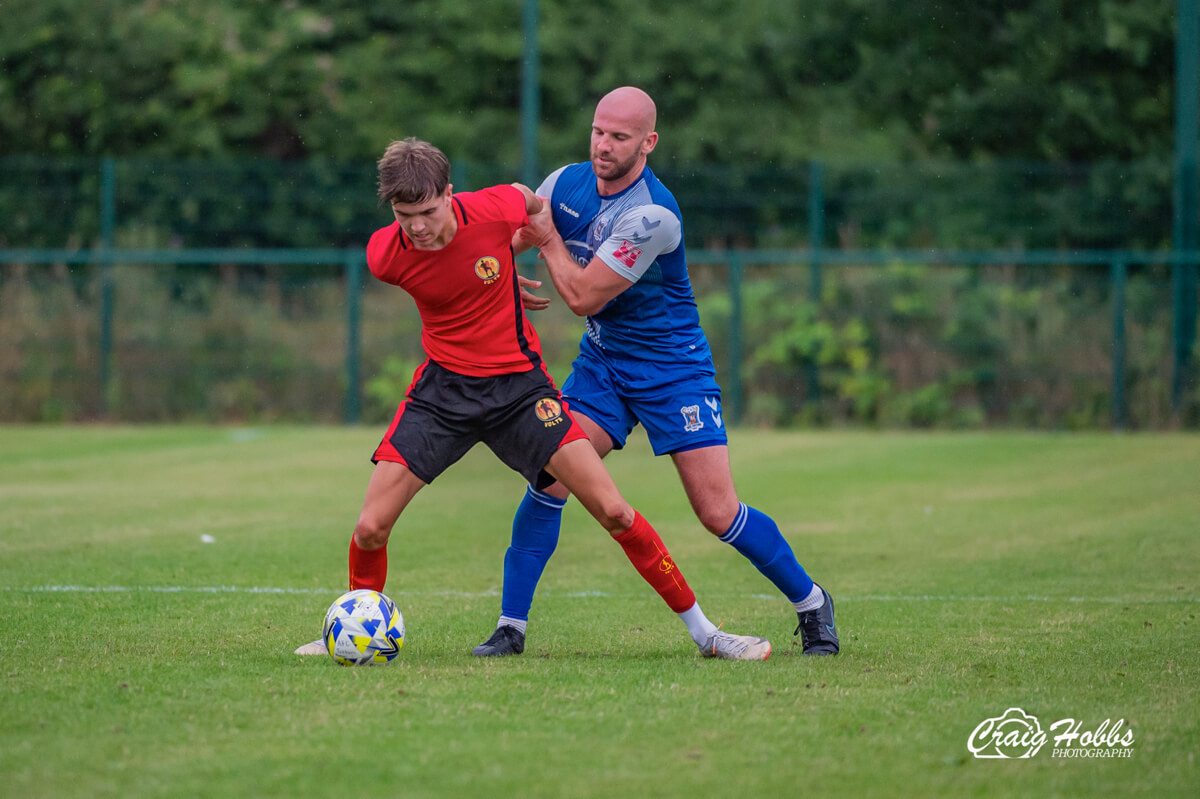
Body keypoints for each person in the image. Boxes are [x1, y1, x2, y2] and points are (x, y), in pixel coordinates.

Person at [295, 137, 771, 661]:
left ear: (449, 195)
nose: (419, 227)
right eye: (405, 215)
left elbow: (533, 207)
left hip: (520, 390)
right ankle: (352, 627)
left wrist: (503, 263)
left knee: (613, 510)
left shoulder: (495, 205)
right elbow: (444, 274)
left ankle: (708, 634)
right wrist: (489, 281)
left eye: (429, 211)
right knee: (369, 528)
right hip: (443, 393)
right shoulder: (385, 254)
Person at [472, 88, 839, 658]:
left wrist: (545, 239)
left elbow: (583, 297)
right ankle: (510, 627)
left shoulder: (653, 216)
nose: (603, 145)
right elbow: (509, 240)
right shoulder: (562, 183)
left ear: (649, 143)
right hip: (604, 364)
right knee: (550, 474)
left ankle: (813, 604)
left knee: (717, 512)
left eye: (619, 137)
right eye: (598, 131)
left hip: (674, 370)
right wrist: (494, 272)